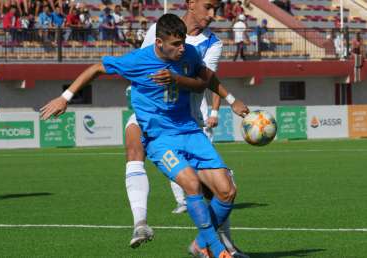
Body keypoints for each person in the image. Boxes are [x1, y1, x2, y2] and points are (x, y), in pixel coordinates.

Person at [41, 14, 234, 258]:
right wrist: (65, 97)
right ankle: (217, 251)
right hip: (160, 138)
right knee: (192, 185)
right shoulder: (138, 61)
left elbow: (204, 81)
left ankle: (200, 244)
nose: (181, 48)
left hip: (190, 130)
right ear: (158, 43)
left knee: (227, 191)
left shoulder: (190, 55)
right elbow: (97, 68)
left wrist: (232, 100)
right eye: (175, 44)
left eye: (182, 42)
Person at [125, 1, 250, 257]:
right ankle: (140, 222)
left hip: (189, 121)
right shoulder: (157, 30)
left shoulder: (212, 43)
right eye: (209, 7)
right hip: (153, 115)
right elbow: (144, 65)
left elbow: (204, 82)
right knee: (134, 147)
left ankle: (214, 244)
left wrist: (222, 105)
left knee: (222, 189)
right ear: (191, 4)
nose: (213, 15)